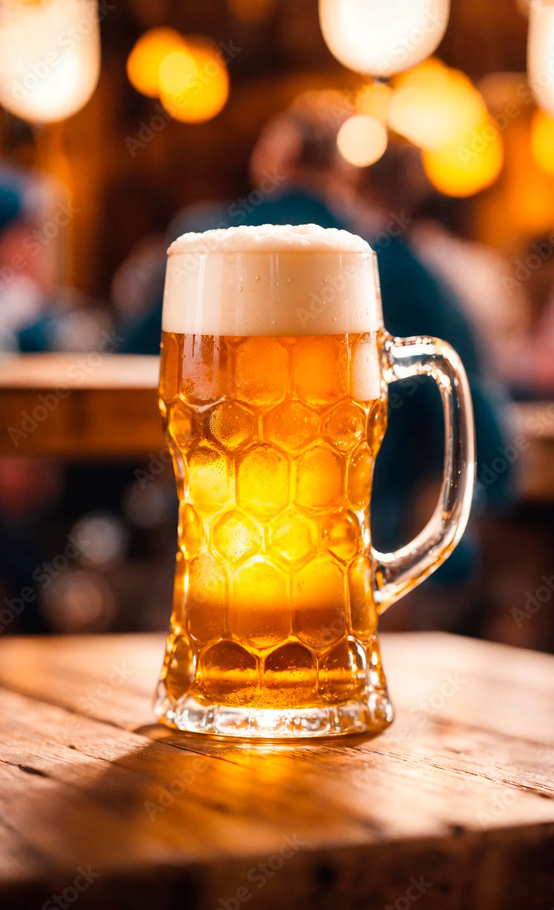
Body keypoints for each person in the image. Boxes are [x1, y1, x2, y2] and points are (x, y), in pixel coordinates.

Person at [117, 93, 516, 599]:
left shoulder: (207, 253)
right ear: (346, 175)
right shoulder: (389, 261)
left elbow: (127, 361)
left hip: (223, 582)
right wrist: (453, 536)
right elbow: (480, 409)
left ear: (273, 161)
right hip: (360, 571)